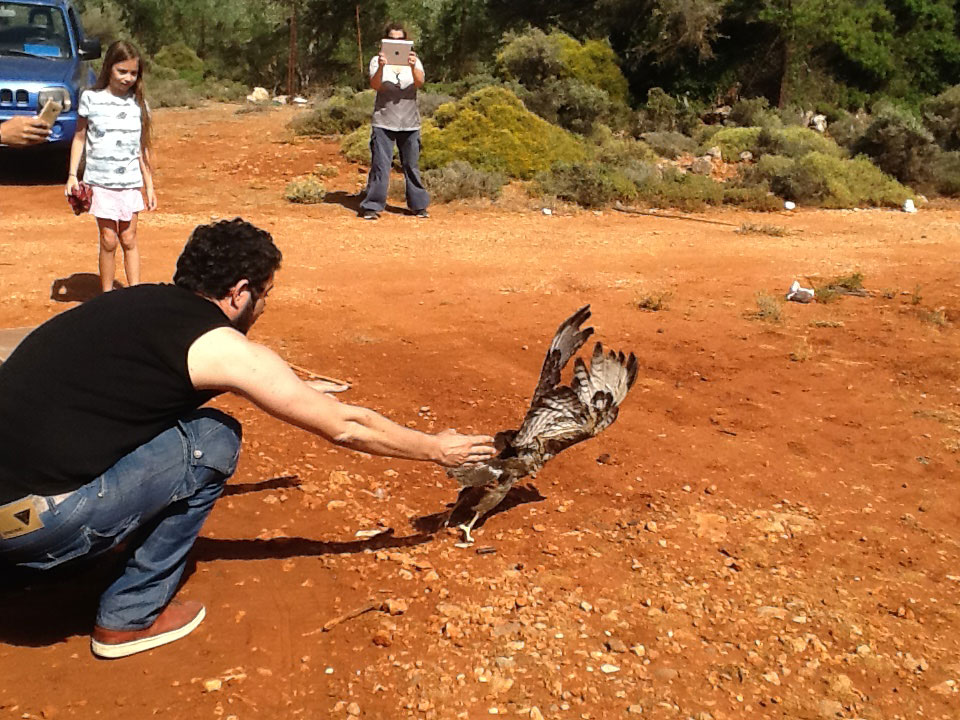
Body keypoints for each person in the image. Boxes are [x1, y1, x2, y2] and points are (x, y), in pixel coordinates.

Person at [0, 218, 495, 659]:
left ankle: (31, 569)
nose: (264, 305)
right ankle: (129, 618)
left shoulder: (132, 301)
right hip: (38, 524)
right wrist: (435, 448)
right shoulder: (220, 345)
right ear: (240, 292)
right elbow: (347, 426)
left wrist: (294, 390)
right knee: (212, 439)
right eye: (265, 293)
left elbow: (140, 385)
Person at [66, 40, 157, 294]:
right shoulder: (91, 99)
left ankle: (135, 294)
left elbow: (141, 148)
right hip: (101, 182)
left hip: (129, 183)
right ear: (109, 68)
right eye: (122, 71)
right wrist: (73, 175)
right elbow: (80, 137)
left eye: (133, 73)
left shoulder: (139, 104)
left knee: (129, 238)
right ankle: (107, 297)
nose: (128, 78)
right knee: (108, 240)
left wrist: (149, 185)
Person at [359, 21, 430, 221]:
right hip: (384, 121)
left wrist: (413, 65)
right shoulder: (376, 61)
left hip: (410, 122)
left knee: (411, 165)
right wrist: (382, 67)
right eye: (392, 39)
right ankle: (372, 205)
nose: (396, 42)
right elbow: (375, 85)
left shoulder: (414, 61)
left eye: (400, 39)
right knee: (381, 165)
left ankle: (418, 205)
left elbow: (420, 83)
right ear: (385, 41)